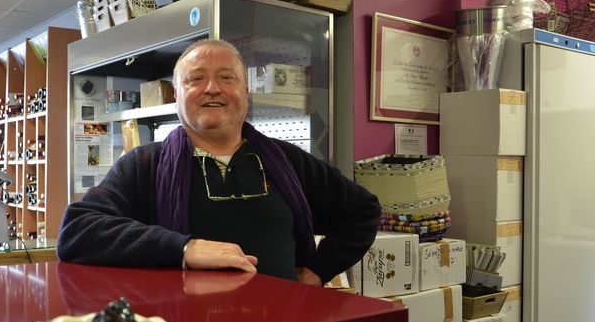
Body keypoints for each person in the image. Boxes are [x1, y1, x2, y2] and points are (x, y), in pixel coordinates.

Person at [57, 39, 381, 286]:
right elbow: (77, 232)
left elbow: (362, 211)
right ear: (177, 93)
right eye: (195, 79)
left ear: (245, 90)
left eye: (227, 77)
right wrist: (184, 249)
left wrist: (316, 272)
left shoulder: (288, 161)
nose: (212, 88)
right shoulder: (144, 165)